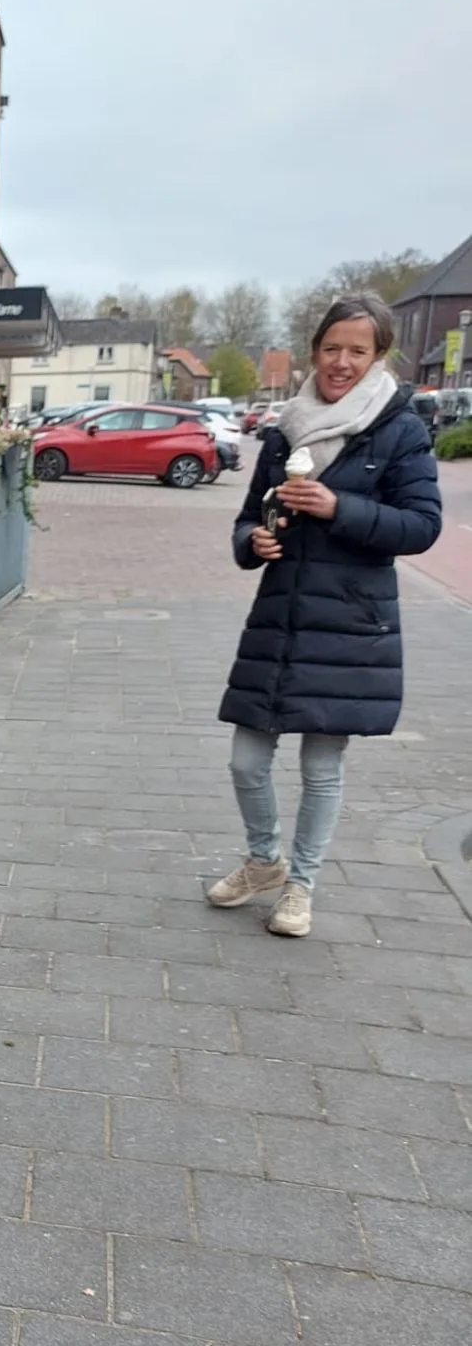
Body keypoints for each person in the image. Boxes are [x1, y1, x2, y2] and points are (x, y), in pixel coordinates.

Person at [208, 293, 442, 938]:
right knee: (247, 761)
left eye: (357, 351)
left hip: (350, 623)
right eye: (332, 348)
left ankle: (301, 885)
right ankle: (264, 861)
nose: (341, 362)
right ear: (316, 349)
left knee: (320, 767)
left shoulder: (401, 428)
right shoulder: (284, 427)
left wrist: (338, 507)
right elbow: (249, 516)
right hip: (280, 617)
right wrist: (252, 542)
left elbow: (422, 526)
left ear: (378, 357)